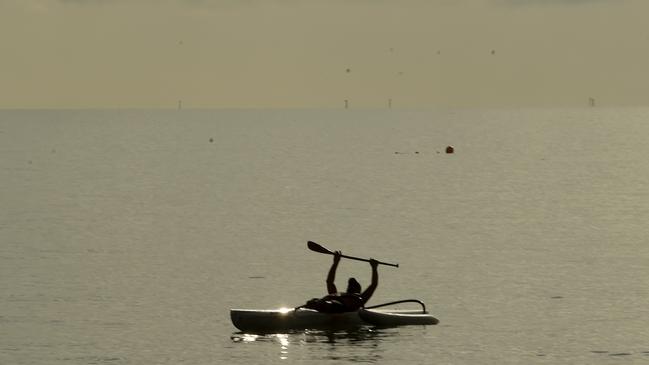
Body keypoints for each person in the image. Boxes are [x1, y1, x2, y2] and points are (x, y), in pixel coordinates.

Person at [302, 251, 379, 313]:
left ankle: (319, 306)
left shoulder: (361, 298)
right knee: (314, 301)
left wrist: (374, 268)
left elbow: (373, 284)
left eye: (353, 286)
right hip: (323, 304)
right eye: (350, 286)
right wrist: (335, 262)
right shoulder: (336, 294)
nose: (350, 287)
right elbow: (329, 282)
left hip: (335, 307)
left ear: (358, 291)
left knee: (329, 304)